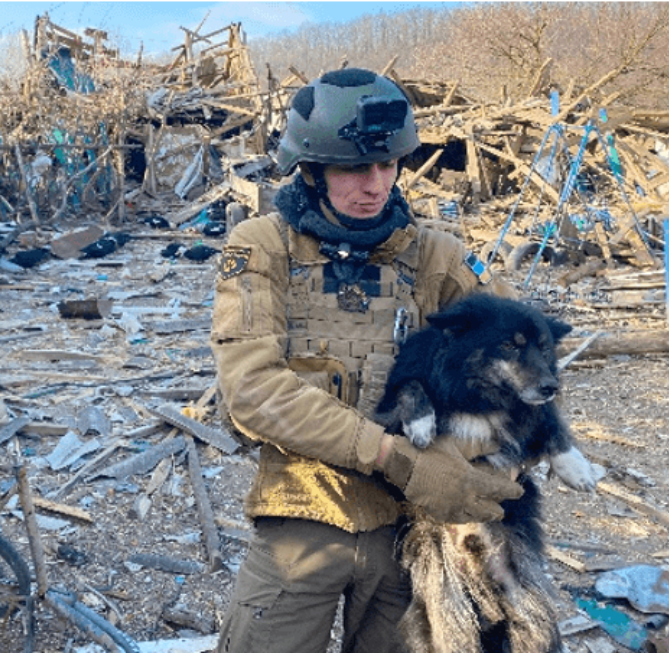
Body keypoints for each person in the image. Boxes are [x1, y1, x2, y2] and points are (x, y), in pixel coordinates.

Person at [209, 68, 524, 653]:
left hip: (412, 530)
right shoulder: (262, 247)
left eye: (388, 165)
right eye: (355, 166)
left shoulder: (438, 258)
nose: (376, 184)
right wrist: (394, 455)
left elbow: (518, 365)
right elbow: (253, 390)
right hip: (302, 512)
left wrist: (467, 463)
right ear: (311, 168)